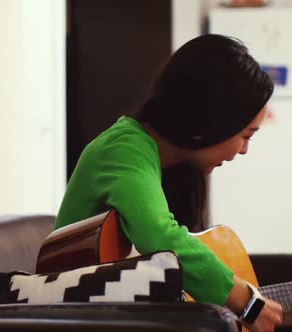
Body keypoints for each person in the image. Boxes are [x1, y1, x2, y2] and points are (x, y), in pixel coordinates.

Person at [55, 34, 283, 332]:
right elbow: (161, 239)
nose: (244, 150)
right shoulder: (124, 148)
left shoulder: (169, 165)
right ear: (211, 119)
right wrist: (246, 302)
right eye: (246, 135)